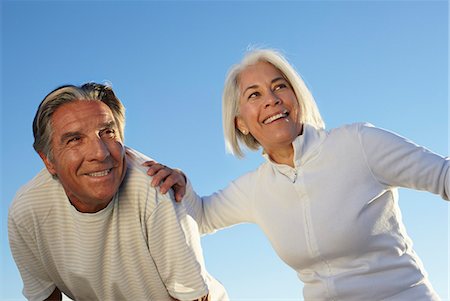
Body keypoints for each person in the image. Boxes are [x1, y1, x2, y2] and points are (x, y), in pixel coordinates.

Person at [146, 49, 449, 300]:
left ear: (296, 97)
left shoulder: (359, 144)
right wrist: (180, 183)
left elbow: (444, 175)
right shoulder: (254, 190)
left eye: (279, 86)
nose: (271, 99)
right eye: (254, 94)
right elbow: (199, 217)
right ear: (241, 123)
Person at [8, 83, 228, 301]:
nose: (100, 153)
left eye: (107, 132)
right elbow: (45, 297)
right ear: (48, 160)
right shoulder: (27, 211)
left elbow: (193, 298)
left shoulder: (155, 190)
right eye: (75, 139)